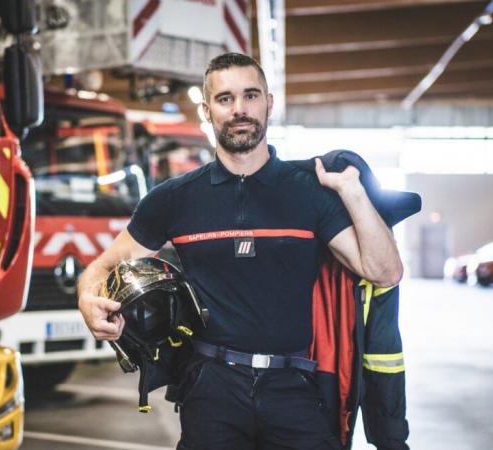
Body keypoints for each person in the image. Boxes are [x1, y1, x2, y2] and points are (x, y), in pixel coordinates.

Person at [78, 52, 403, 450]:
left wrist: (352, 193)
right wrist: (87, 298)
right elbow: (106, 263)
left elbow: (385, 271)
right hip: (211, 388)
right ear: (207, 110)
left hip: (294, 384)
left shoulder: (310, 193)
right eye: (225, 99)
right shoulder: (175, 199)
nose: (240, 110)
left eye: (250, 96)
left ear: (269, 102)